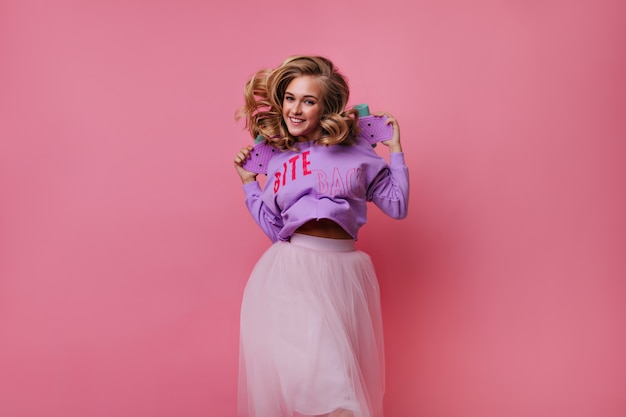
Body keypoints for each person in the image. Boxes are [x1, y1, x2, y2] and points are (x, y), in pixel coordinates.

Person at [233, 55, 409, 417]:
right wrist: (250, 185)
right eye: (290, 98)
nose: (295, 110)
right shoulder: (279, 158)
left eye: (308, 101)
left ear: (325, 107)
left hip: (344, 273)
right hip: (293, 272)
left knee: (336, 382)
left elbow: (396, 206)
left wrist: (395, 151)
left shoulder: (357, 149)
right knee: (328, 389)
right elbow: (275, 230)